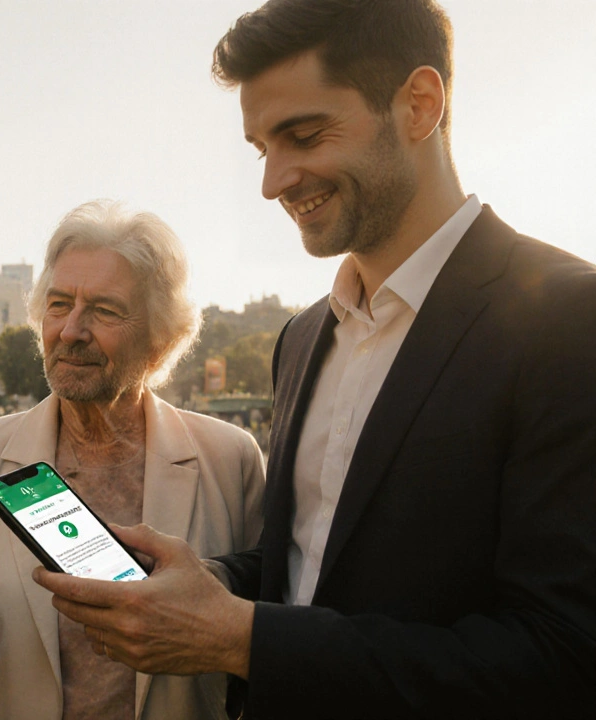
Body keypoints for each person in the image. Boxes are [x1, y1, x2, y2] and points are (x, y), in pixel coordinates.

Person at [34, 1, 596, 717]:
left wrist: (243, 638)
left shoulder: (570, 320)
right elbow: (308, 566)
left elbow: (565, 659)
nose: (274, 181)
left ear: (419, 105)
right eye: (261, 148)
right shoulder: (303, 338)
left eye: (302, 135)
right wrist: (200, 581)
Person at [0, 200, 265, 719]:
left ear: (161, 336)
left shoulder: (231, 459)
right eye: (59, 304)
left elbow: (258, 651)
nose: (71, 330)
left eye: (105, 310)